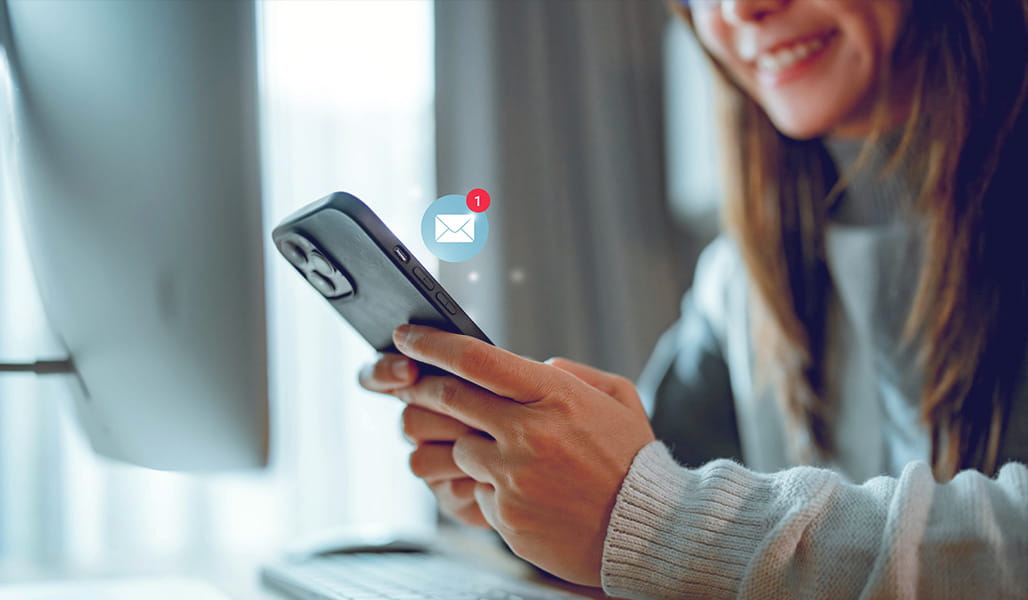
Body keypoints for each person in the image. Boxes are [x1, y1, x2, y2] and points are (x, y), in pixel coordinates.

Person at [360, 0, 1028, 597]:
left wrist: (657, 522)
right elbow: (646, 485)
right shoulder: (740, 280)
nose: (740, 8)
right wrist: (524, 498)